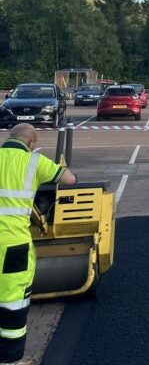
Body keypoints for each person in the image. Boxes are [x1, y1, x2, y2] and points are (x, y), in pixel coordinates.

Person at [0, 123, 76, 364]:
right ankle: (11, 360)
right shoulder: (34, 161)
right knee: (12, 304)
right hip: (13, 247)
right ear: (31, 143)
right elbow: (69, 179)